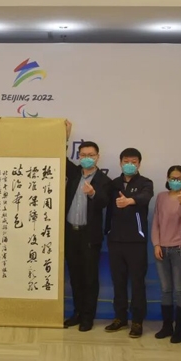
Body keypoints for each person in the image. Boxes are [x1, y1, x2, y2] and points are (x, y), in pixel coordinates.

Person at [63, 121, 112, 332]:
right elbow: (61, 157)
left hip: (89, 236)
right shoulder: (75, 174)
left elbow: (104, 202)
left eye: (90, 155)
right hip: (70, 233)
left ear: (97, 157)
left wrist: (93, 193)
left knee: (89, 278)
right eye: (83, 155)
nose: (86, 158)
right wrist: (66, 136)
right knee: (74, 276)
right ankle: (77, 313)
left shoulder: (104, 180)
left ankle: (87, 317)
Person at [104, 148, 154, 338]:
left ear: (139, 163)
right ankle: (120, 317)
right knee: (118, 281)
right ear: (120, 163)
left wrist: (130, 201)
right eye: (126, 161)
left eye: (133, 161)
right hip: (115, 240)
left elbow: (145, 197)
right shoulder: (114, 184)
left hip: (136, 241)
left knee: (137, 282)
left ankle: (137, 321)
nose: (129, 164)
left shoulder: (145, 183)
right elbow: (104, 204)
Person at [151, 165, 181, 344]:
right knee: (166, 289)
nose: (175, 181)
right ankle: (167, 326)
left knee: (180, 290)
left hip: (180, 248)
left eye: (179, 178)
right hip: (162, 248)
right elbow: (156, 221)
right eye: (172, 178)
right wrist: (156, 244)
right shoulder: (161, 197)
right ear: (168, 179)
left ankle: (180, 329)